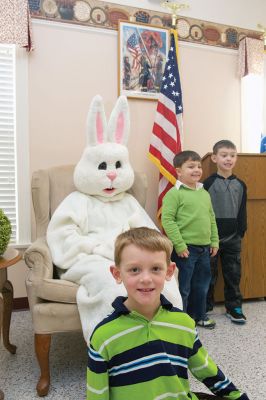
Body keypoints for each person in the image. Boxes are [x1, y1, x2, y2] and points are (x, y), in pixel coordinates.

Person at [87, 227, 250, 400]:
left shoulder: (183, 323)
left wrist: (237, 396)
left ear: (169, 271)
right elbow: (97, 395)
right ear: (117, 274)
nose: (146, 279)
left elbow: (206, 370)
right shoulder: (102, 336)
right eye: (135, 270)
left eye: (156, 268)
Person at [162, 150, 219, 329]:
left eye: (199, 166)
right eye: (191, 166)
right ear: (179, 171)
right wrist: (179, 245)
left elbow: (211, 218)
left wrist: (215, 241)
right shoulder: (174, 194)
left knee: (202, 285)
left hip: (205, 248)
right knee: (184, 287)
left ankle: (199, 315)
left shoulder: (204, 193)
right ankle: (183, 320)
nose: (197, 170)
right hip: (185, 249)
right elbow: (168, 220)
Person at [203, 140, 247, 324]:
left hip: (233, 237)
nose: (228, 159)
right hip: (211, 237)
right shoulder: (208, 183)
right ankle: (204, 306)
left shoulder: (241, 184)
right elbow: (203, 209)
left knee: (233, 273)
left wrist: (241, 231)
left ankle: (234, 307)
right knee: (208, 273)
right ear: (214, 158)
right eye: (224, 155)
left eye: (232, 155)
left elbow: (242, 210)